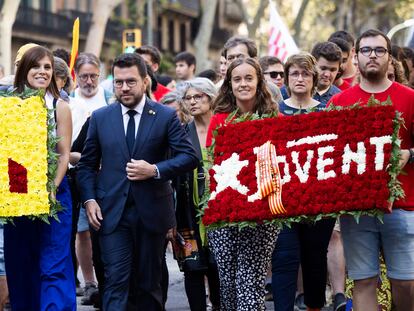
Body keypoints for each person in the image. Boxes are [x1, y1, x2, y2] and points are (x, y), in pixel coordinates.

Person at [77, 52, 198, 310]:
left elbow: (189, 156)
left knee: (149, 285)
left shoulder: (165, 116)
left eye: (130, 81)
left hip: (152, 214)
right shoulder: (100, 117)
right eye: (118, 82)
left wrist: (154, 169)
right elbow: (86, 165)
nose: (124, 88)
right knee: (115, 282)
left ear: (145, 82)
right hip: (111, 214)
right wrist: (89, 200)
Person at [329, 29, 414, 311]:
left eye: (380, 50)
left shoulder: (409, 98)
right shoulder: (339, 103)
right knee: (364, 280)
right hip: (357, 209)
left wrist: (409, 154)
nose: (373, 55)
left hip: (403, 207)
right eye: (366, 50)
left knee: (406, 282)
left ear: (390, 58)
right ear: (355, 56)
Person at [3, 45, 75, 311]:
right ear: (24, 70)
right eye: (36, 66)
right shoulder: (8, 105)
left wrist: (51, 188)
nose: (42, 72)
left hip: (53, 193)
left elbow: (64, 154)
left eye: (47, 67)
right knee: (20, 264)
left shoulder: (60, 106)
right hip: (18, 192)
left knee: (53, 263)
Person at [206, 57, 279, 310]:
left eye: (249, 78)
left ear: (259, 82)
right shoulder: (219, 119)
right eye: (237, 79)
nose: (243, 84)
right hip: (224, 213)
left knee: (250, 281)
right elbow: (212, 163)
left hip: (262, 213)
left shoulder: (272, 117)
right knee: (227, 283)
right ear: (229, 84)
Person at [271, 53, 336, 311]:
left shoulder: (327, 112)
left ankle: (314, 307)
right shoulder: (274, 112)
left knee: (315, 258)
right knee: (284, 258)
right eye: (294, 74)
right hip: (282, 201)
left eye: (305, 74)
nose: (300, 78)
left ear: (314, 78)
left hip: (319, 201)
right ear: (286, 79)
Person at [175, 78, 220, 310]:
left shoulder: (223, 127)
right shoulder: (182, 133)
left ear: (211, 98)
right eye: (188, 98)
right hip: (187, 209)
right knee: (192, 265)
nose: (192, 102)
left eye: (198, 96)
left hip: (221, 207)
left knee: (218, 267)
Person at [311, 41, 342, 106]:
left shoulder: (341, 98)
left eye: (332, 70)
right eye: (323, 68)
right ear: (312, 65)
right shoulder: (291, 92)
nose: (327, 74)